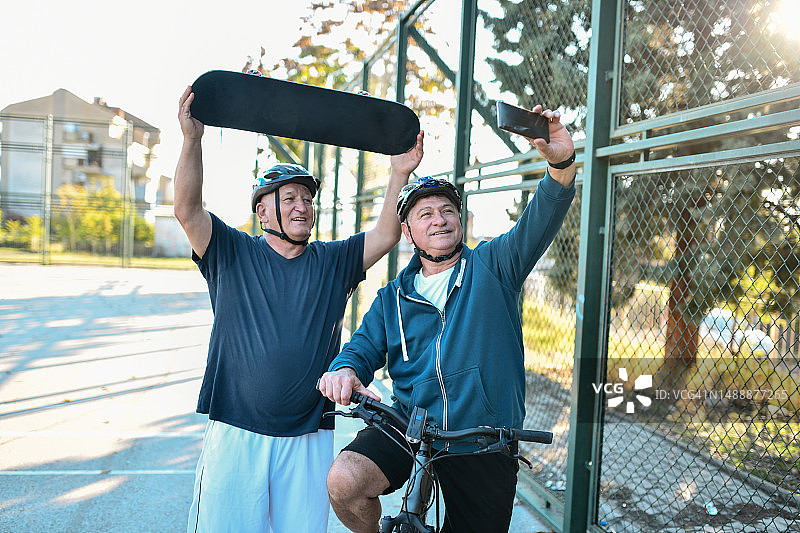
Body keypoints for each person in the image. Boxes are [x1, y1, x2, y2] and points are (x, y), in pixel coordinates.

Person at [175, 86, 424, 533]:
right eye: (288, 197)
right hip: (237, 434)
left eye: (307, 199)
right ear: (262, 211)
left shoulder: (332, 261)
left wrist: (399, 173)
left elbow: (386, 235)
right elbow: (187, 208)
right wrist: (192, 140)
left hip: (309, 436)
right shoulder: (231, 252)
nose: (301, 206)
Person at [318, 104, 576, 533]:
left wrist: (561, 163)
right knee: (344, 480)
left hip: (482, 438)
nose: (439, 219)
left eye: (447, 211)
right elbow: (361, 349)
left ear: (460, 220)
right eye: (425, 214)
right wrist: (344, 371)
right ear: (408, 232)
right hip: (411, 428)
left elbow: (543, 215)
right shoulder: (393, 297)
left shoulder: (495, 266)